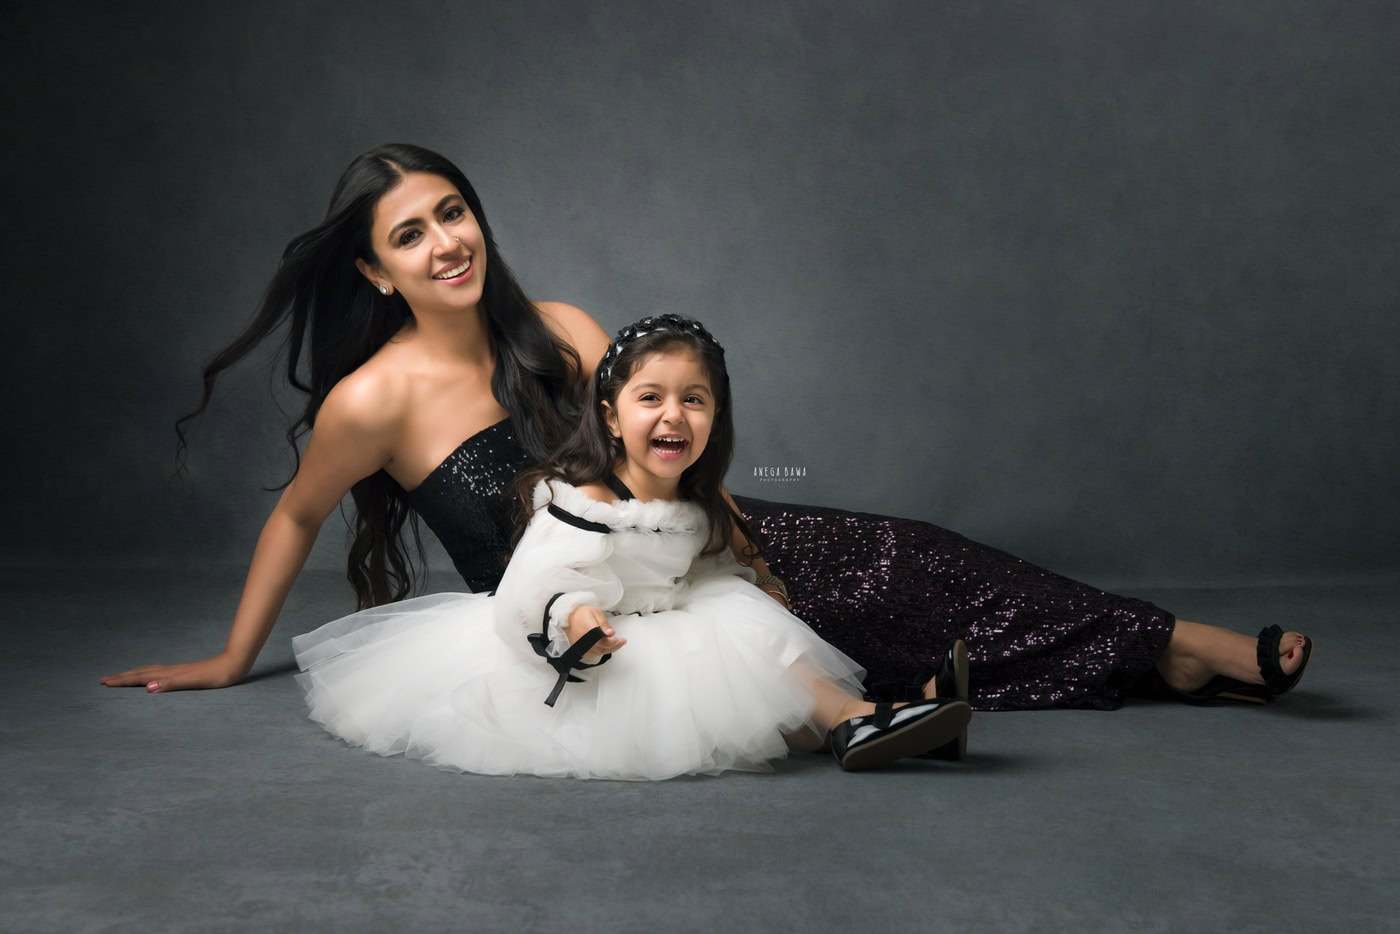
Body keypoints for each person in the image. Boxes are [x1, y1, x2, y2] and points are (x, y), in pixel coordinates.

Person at [101, 143, 1312, 712]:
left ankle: (1168, 645)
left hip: (695, 550)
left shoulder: (562, 327)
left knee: (907, 556)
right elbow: (296, 514)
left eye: (453, 211)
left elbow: (669, 449)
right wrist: (225, 658)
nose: (446, 242)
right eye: (409, 234)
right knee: (865, 652)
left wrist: (745, 538)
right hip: (589, 609)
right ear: (374, 272)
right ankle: (1151, 656)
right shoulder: (375, 402)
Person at [292, 315, 974, 778]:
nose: (673, 414)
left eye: (695, 400)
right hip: (601, 647)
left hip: (674, 618)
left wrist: (754, 579)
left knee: (753, 644)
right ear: (613, 418)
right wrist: (574, 617)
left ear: (715, 419)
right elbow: (534, 583)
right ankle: (865, 722)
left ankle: (896, 720)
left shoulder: (693, 501)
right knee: (740, 664)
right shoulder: (585, 503)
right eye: (651, 398)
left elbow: (706, 562)